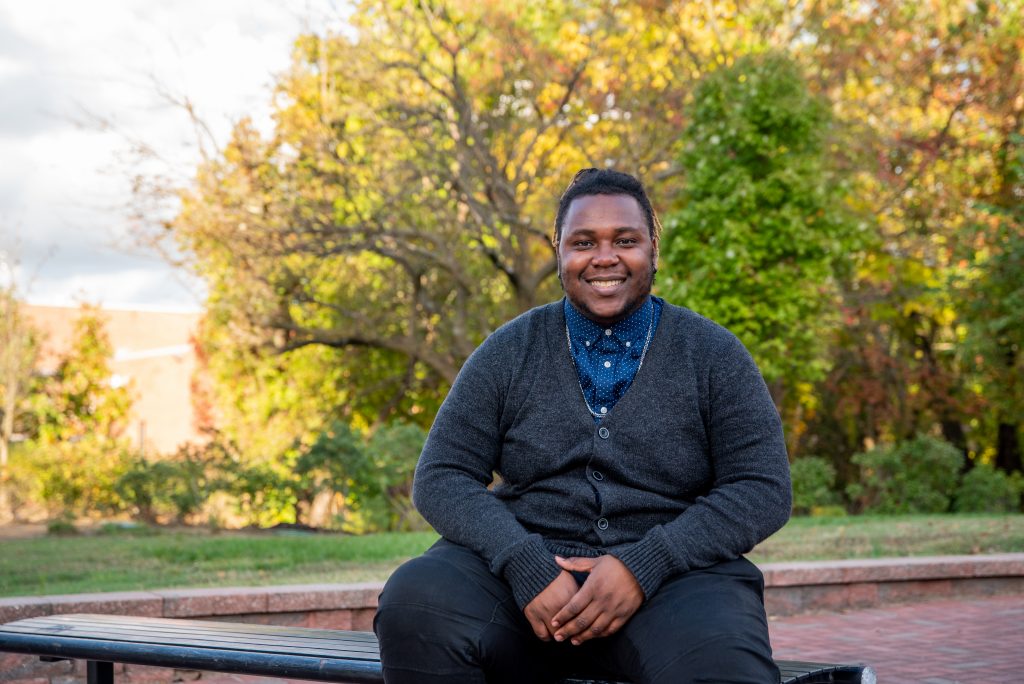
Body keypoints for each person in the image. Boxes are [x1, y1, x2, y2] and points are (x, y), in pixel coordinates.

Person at [373, 168, 792, 684]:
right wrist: (524, 563)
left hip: (675, 584)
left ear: (653, 249)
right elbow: (441, 475)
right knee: (417, 602)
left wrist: (646, 563)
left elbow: (763, 486)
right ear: (559, 252)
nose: (605, 257)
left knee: (725, 668)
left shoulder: (713, 354)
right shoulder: (509, 351)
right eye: (583, 242)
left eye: (626, 240)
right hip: (522, 583)